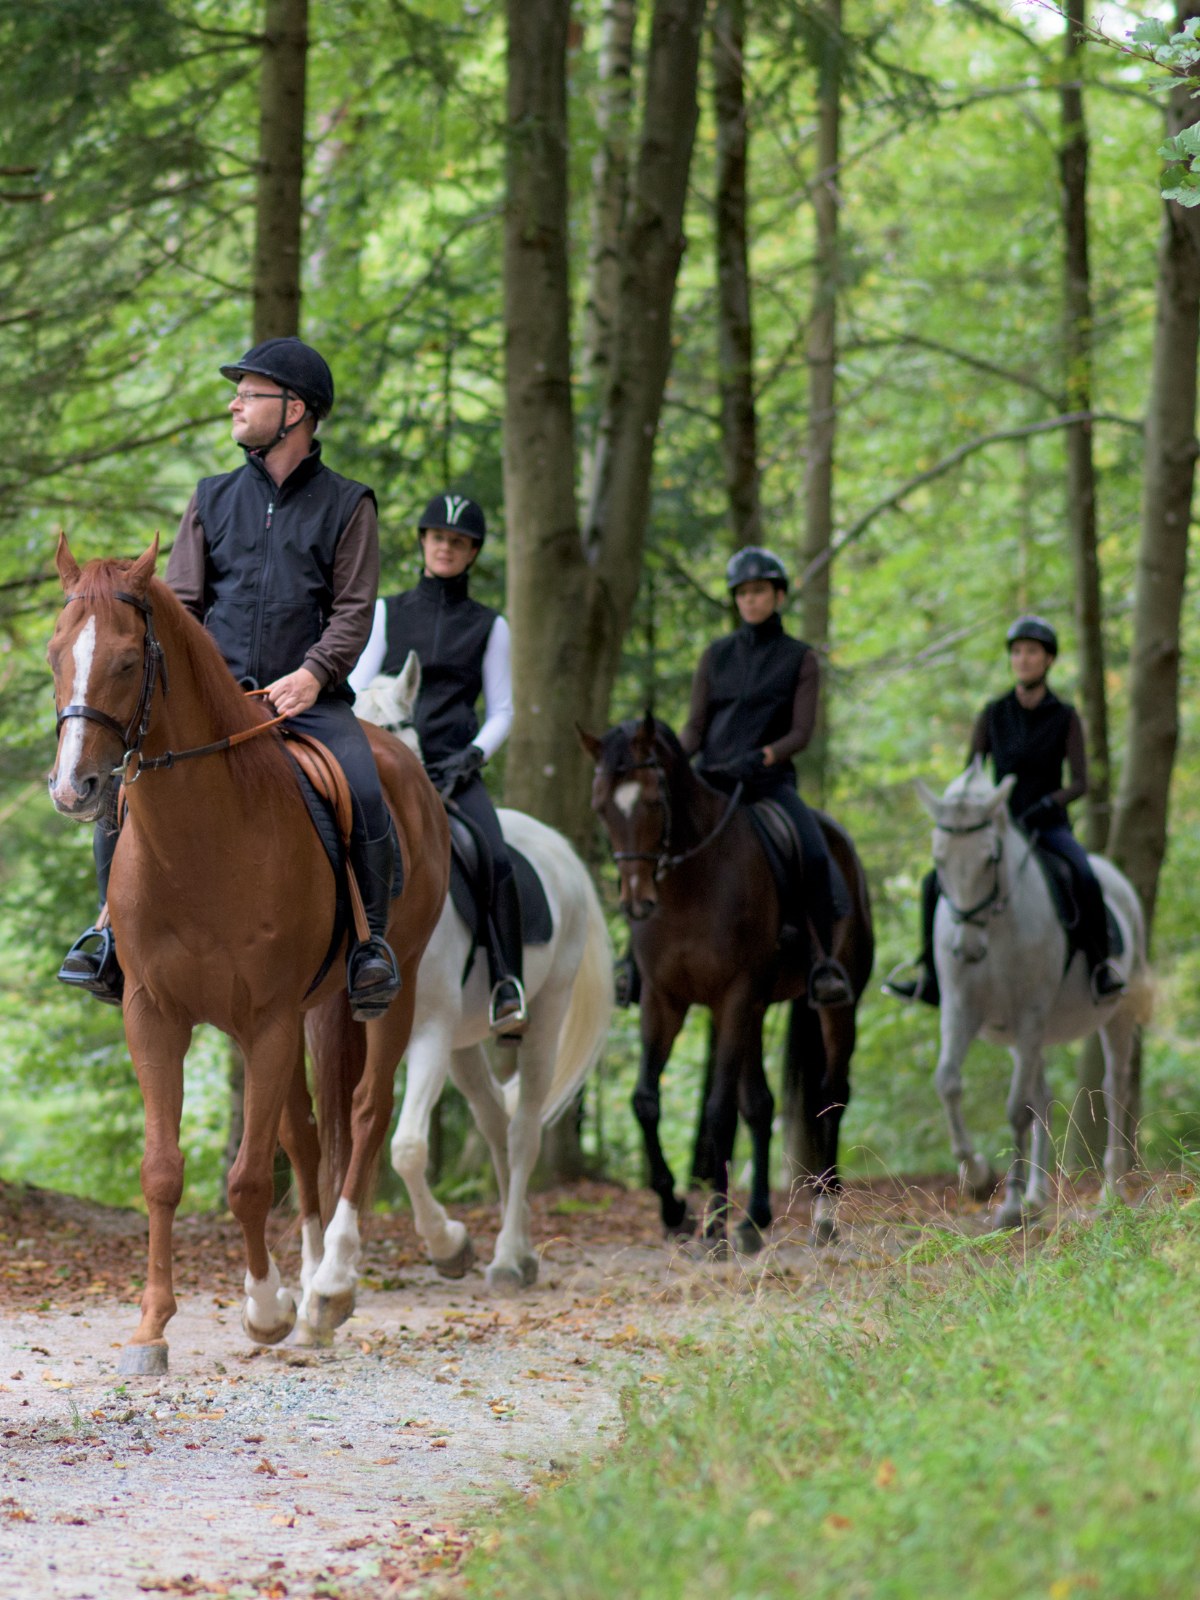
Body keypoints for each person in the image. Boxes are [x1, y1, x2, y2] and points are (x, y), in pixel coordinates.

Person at [58, 337, 402, 1022]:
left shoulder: (348, 504)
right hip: (217, 707)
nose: (233, 404)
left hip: (305, 701)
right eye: (236, 393)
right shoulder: (211, 498)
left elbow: (354, 609)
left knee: (364, 786)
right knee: (126, 792)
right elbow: (182, 607)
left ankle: (369, 946)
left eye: (248, 393)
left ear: (294, 409)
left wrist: (313, 674)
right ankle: (107, 935)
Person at [348, 493, 527, 1041]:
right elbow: (356, 685)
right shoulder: (387, 611)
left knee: (495, 858)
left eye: (458, 542)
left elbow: (502, 710)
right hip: (386, 763)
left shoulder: (489, 626)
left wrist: (473, 755)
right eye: (438, 538)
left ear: (472, 553)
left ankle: (505, 983)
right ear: (424, 543)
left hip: (454, 771)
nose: (446, 548)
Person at [886, 614, 1124, 1006]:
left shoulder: (1065, 717)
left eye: (1032, 652)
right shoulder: (993, 713)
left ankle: (1100, 967)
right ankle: (929, 972)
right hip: (996, 824)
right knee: (933, 882)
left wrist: (1050, 803)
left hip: (1046, 826)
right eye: (1016, 652)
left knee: (1083, 874)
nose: (1023, 659)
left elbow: (1081, 782)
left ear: (1048, 660)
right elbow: (972, 772)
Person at [677, 546, 854, 1008]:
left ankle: (822, 964)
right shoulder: (714, 657)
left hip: (768, 785)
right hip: (712, 780)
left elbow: (801, 732)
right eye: (742, 593)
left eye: (759, 592)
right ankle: (634, 965)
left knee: (814, 853)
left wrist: (764, 757)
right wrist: (673, 761)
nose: (750, 601)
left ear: (778, 595)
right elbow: (695, 727)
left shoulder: (800, 658)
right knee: (656, 841)